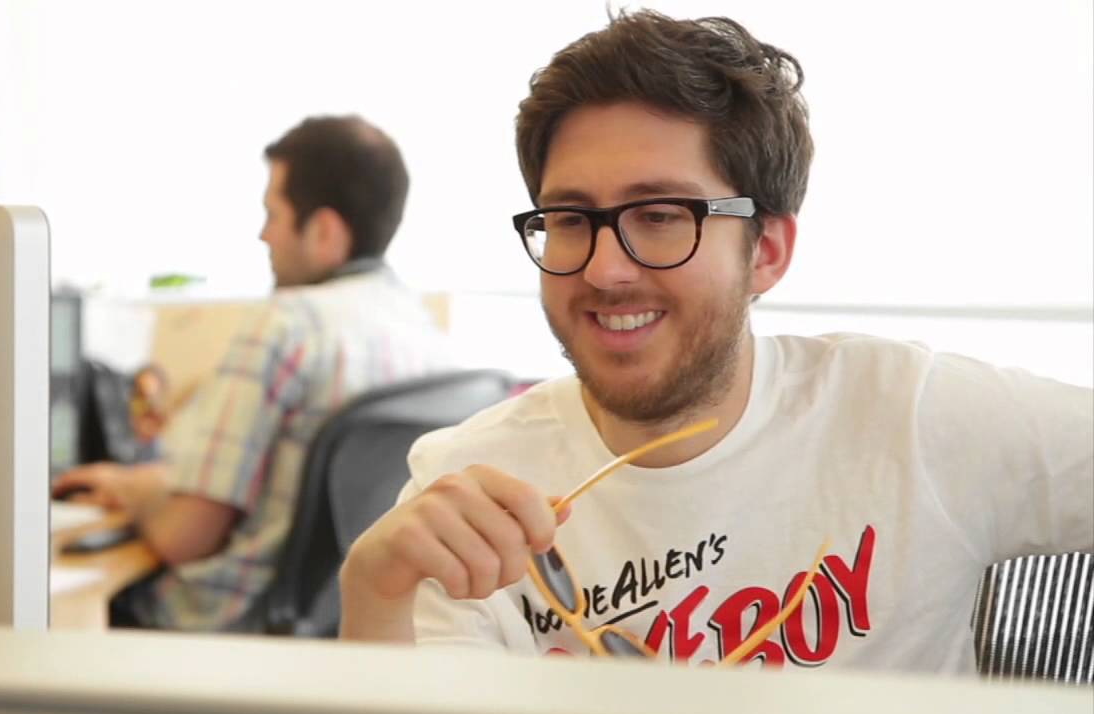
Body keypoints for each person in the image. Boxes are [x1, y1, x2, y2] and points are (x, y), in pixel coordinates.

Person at [338, 10, 1093, 674]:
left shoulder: (907, 418)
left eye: (660, 216)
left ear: (767, 251)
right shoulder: (470, 490)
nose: (604, 270)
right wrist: (374, 594)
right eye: (570, 219)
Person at [54, 115, 450, 632]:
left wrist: (130, 489)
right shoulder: (423, 330)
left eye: (273, 214)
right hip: (332, 627)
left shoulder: (287, 324)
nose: (264, 235)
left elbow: (185, 536)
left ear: (324, 231)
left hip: (222, 632)